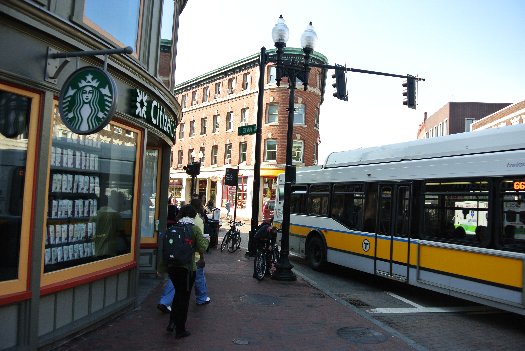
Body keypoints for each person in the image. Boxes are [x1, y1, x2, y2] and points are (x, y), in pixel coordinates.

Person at [164, 204, 207, 338]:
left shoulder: (174, 227)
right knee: (184, 298)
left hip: (172, 267)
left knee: (178, 294)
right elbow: (203, 246)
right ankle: (180, 329)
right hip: (187, 268)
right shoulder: (193, 229)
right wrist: (206, 240)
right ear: (194, 215)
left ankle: (172, 322)